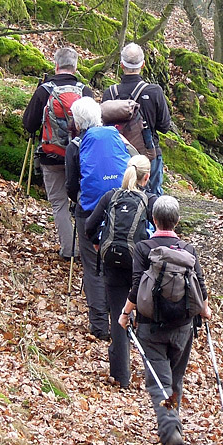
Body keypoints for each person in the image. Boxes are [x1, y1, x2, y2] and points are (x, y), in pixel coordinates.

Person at [118, 195, 211, 445]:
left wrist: (125, 314)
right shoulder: (188, 251)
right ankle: (174, 425)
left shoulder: (143, 248)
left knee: (159, 381)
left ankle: (170, 431)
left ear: (153, 220)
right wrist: (204, 310)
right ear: (177, 221)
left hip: (151, 327)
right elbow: (200, 288)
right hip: (183, 327)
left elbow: (137, 286)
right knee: (175, 379)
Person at [85, 155, 157, 389]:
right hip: (139, 266)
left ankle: (120, 376)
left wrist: (98, 243)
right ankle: (156, 375)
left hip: (113, 263)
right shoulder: (150, 201)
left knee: (119, 316)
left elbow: (89, 226)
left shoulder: (110, 197)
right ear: (147, 177)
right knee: (147, 315)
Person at [65, 97, 134, 340]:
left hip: (89, 213)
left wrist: (80, 202)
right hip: (119, 209)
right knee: (111, 263)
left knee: (92, 267)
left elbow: (71, 186)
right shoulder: (115, 136)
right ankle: (119, 319)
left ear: (77, 121)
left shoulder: (75, 145)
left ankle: (98, 326)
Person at [22, 47, 94, 259]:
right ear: (75, 67)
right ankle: (87, 250)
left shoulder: (45, 90)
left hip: (51, 156)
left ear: (56, 65)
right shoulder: (85, 92)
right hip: (80, 157)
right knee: (83, 201)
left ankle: (68, 251)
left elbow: (28, 124)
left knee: (59, 203)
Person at [102, 42, 171, 196]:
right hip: (148, 155)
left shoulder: (109, 94)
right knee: (152, 198)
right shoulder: (154, 91)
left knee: (118, 195)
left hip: (117, 155)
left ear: (121, 65)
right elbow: (165, 126)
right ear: (143, 65)